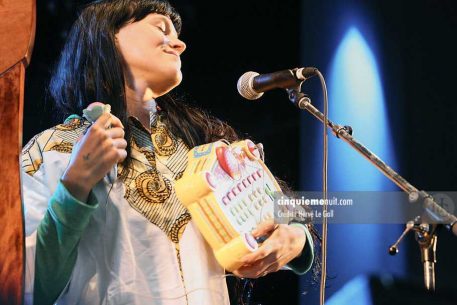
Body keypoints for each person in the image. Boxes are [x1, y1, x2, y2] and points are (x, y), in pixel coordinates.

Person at [22, 1, 315, 304]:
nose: (179, 43)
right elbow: (25, 287)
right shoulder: (52, 149)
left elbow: (298, 214)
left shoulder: (202, 146)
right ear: (109, 35)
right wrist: (75, 185)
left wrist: (296, 237)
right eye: (161, 28)